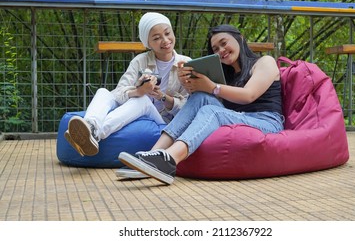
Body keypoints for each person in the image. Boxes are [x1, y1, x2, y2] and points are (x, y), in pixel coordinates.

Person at [118, 24, 284, 185]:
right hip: (239, 117)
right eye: (216, 49)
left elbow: (249, 95)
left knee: (212, 110)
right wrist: (191, 85)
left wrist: (213, 87)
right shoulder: (227, 74)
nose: (221, 51)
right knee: (199, 97)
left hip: (266, 121)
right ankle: (152, 155)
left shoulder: (264, 62)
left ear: (239, 38)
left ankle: (169, 159)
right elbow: (219, 102)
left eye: (224, 43)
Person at [65, 12, 191, 161]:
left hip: (164, 122)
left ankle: (96, 133)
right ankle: (91, 126)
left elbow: (190, 108)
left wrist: (163, 97)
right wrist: (139, 90)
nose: (165, 40)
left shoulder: (186, 63)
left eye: (167, 33)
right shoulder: (140, 61)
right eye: (156, 38)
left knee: (142, 101)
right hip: (135, 111)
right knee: (103, 91)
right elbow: (118, 92)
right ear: (148, 43)